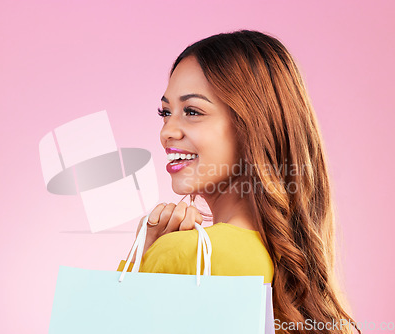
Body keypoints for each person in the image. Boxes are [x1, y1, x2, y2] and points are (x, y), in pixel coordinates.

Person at [117, 30, 360, 334]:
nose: (167, 132)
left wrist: (140, 263)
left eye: (192, 111)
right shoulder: (291, 269)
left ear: (251, 127)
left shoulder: (182, 256)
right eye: (165, 112)